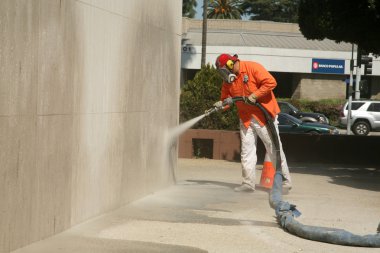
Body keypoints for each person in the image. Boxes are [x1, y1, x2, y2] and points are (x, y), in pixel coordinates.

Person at [213, 53, 292, 192]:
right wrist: (221, 104)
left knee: (274, 148)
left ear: (231, 64)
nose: (223, 75)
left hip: (264, 116)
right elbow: (226, 100)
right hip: (246, 119)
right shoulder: (228, 81)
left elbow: (271, 82)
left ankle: (285, 181)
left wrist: (254, 95)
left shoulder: (252, 67)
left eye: (223, 70)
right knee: (246, 151)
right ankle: (248, 183)